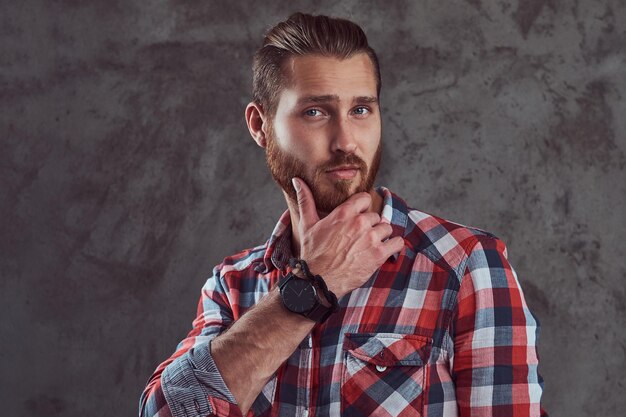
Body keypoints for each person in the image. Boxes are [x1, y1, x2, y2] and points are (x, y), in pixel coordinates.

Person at [139, 12, 547, 417]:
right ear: (260, 125)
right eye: (315, 112)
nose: (346, 141)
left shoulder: (464, 267)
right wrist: (306, 290)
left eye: (361, 110)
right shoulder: (233, 287)